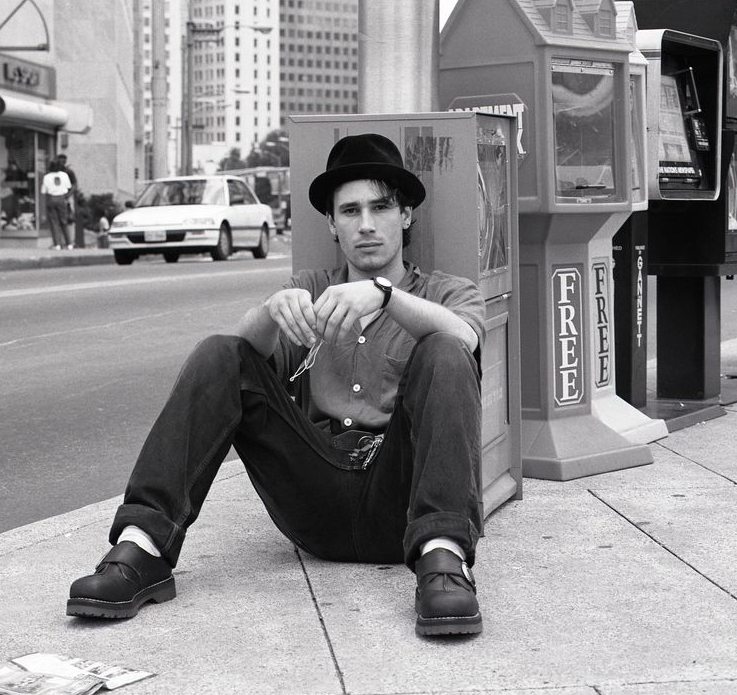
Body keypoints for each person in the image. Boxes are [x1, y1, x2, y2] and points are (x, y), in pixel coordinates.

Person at [67, 133, 487, 637]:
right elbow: (242, 356)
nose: (367, 224)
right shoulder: (309, 290)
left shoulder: (444, 292)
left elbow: (464, 338)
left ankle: (445, 563)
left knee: (444, 346)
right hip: (314, 495)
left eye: (381, 207)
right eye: (350, 211)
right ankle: (143, 548)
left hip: (401, 500)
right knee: (221, 350)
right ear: (331, 224)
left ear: (407, 216)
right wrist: (269, 312)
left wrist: (385, 296)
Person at [41, 159, 73, 250]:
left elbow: (44, 191)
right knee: (64, 221)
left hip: (51, 198)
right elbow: (68, 187)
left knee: (54, 222)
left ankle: (57, 244)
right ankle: (69, 243)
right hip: (62, 198)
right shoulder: (64, 175)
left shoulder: (47, 177)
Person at [56, 153, 82, 248]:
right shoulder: (55, 171)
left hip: (67, 196)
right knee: (59, 219)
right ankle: (61, 241)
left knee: (69, 218)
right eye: (59, 160)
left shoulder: (69, 172)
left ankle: (71, 241)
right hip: (58, 196)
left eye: (63, 161)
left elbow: (74, 184)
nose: (61, 162)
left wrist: (68, 195)